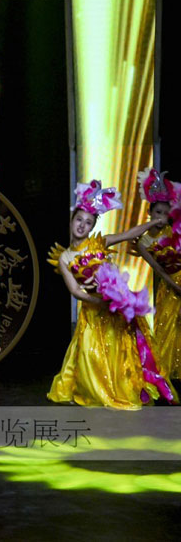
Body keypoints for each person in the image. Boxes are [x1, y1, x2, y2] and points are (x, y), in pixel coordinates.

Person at [48, 180, 176, 408]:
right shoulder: (65, 258)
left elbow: (129, 234)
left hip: (118, 305)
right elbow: (75, 290)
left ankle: (122, 388)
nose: (82, 226)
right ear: (71, 221)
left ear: (92, 227)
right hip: (94, 310)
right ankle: (95, 390)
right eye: (79, 220)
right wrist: (99, 302)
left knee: (121, 350)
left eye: (88, 222)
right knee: (91, 353)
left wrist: (154, 222)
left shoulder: (100, 242)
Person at [134, 168, 181, 380]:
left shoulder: (174, 231)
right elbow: (159, 269)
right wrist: (176, 286)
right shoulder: (143, 242)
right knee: (168, 330)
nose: (162, 218)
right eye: (158, 213)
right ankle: (168, 380)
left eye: (165, 213)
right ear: (149, 213)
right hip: (170, 285)